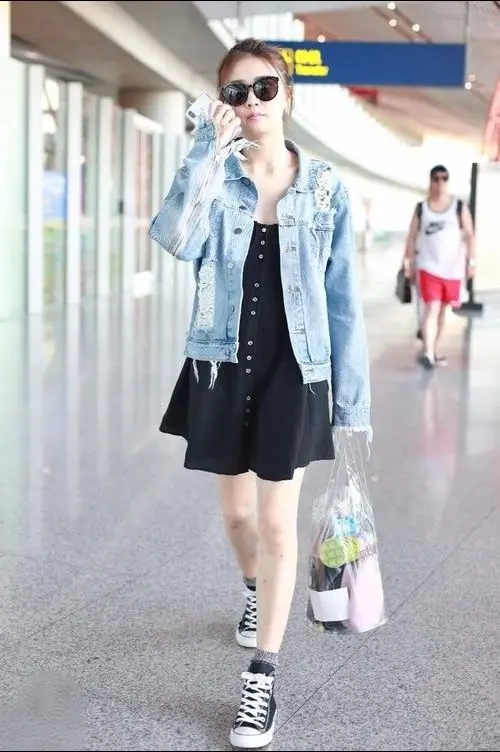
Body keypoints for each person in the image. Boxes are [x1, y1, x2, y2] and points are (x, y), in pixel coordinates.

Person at [149, 37, 371, 750]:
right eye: (236, 92)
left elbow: (344, 303)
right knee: (239, 515)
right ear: (223, 103)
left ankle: (262, 675)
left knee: (277, 526)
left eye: (264, 88)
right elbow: (174, 239)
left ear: (287, 94)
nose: (252, 102)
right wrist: (203, 151)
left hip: (295, 371)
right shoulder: (216, 174)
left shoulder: (326, 187)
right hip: (222, 363)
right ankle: (255, 589)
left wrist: (352, 406)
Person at [403, 164, 476, 369]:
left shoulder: (458, 207)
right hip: (427, 266)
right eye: (436, 178)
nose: (440, 182)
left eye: (444, 178)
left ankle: (434, 350)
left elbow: (469, 235)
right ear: (431, 181)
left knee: (443, 310)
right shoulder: (422, 208)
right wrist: (408, 263)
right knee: (432, 307)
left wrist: (471, 261)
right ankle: (427, 352)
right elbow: (412, 237)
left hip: (452, 269)